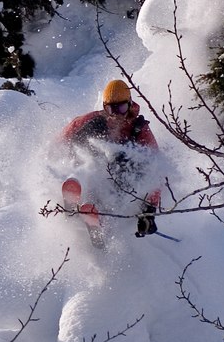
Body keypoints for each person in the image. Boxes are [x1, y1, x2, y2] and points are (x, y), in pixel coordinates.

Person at [60, 79, 160, 236]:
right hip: (89, 173)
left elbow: (155, 170)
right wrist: (52, 155)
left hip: (117, 186)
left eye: (121, 108)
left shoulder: (139, 130)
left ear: (129, 104)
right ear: (104, 107)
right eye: (110, 109)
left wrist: (149, 210)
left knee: (123, 158)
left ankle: (101, 220)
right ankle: (73, 192)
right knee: (90, 133)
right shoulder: (94, 120)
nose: (116, 115)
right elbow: (64, 137)